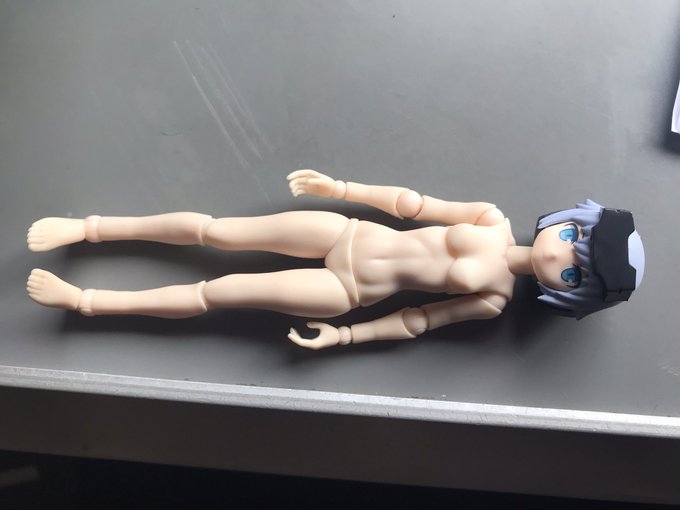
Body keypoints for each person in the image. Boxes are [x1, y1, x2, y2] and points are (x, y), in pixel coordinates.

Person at [26, 170, 645, 349]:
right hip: (343, 232)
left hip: (346, 291)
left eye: (573, 273)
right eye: (574, 236)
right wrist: (344, 188)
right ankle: (90, 229)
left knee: (217, 292)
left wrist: (347, 337)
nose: (559, 251)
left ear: (566, 293)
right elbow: (413, 204)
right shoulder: (490, 218)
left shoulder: (492, 300)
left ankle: (85, 302)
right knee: (216, 232)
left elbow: (417, 321)